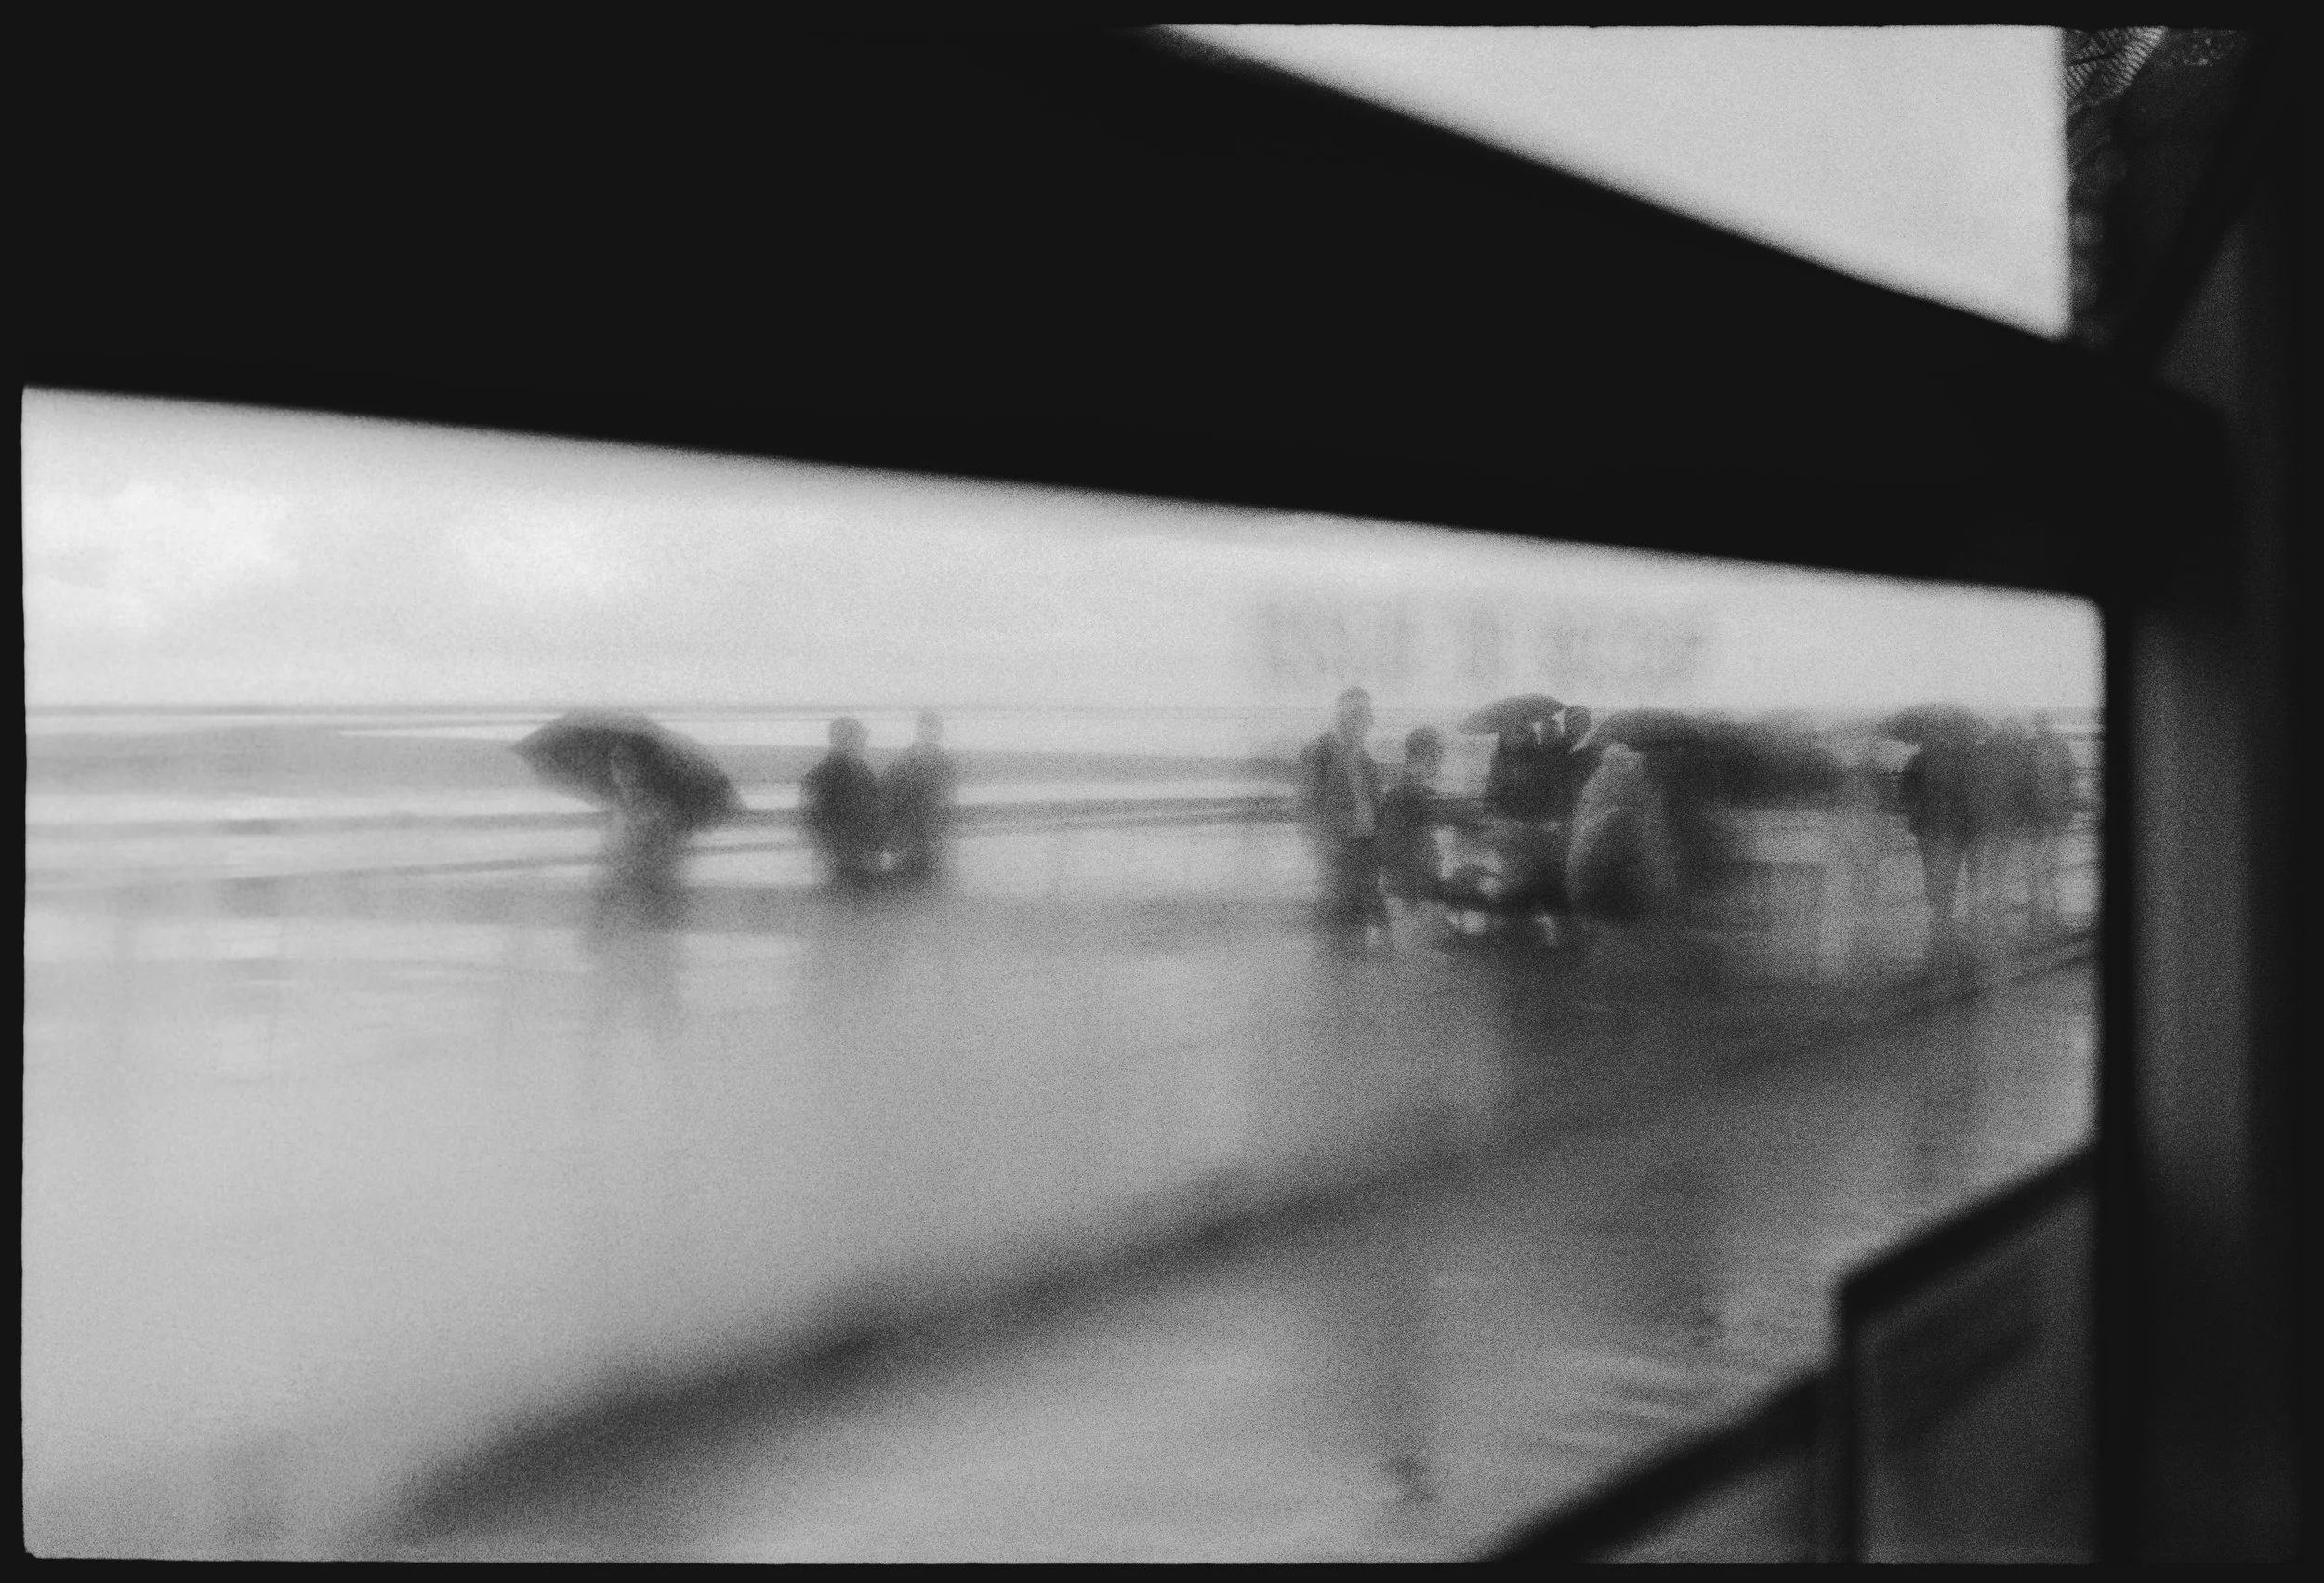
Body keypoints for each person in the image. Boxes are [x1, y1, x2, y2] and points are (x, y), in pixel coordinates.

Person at [586, 740, 688, 1048]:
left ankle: (673, 1077)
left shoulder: (659, 814)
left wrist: (635, 868)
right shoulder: (617, 813)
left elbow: (667, 865)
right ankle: (594, 1080)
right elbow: (606, 868)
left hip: (648, 921)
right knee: (605, 1008)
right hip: (618, 921)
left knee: (657, 1007)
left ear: (643, 772)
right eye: (618, 767)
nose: (623, 774)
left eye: (629, 767)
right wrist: (595, 920)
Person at [1298, 687, 1389, 947]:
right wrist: (1324, 849)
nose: (1369, 722)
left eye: (1369, 715)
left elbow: (1375, 804)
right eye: (1361, 715)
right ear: (1343, 717)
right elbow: (1307, 807)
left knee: (1358, 922)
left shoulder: (1364, 757)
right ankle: (1331, 973)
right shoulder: (1318, 753)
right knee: (1334, 921)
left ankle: (1350, 970)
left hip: (1366, 851)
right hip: (1337, 853)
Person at [1896, 732, 1979, 973]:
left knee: (1931, 871)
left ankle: (1938, 917)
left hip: (1928, 828)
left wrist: (1914, 812)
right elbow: (1969, 797)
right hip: (1954, 830)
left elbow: (1904, 794)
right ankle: (1944, 918)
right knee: (1950, 873)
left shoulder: (1916, 761)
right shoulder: (1959, 763)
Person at [801, 716, 886, 891]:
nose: (864, 742)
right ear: (848, 739)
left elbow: (809, 819)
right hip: (854, 862)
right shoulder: (860, 773)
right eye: (860, 737)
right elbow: (873, 813)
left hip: (838, 861)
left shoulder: (819, 773)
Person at [882, 708, 959, 886]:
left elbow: (947, 799)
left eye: (935, 729)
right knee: (915, 884)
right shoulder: (904, 760)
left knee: (933, 884)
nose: (932, 733)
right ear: (919, 730)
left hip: (930, 835)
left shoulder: (943, 761)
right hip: (912, 835)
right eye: (928, 728)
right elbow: (890, 798)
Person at [2026, 712, 2079, 931]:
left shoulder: (2030, 747)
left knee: (2036, 864)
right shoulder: (2059, 745)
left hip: (2038, 814)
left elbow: (2024, 783)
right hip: (2052, 812)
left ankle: (2038, 912)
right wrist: (2068, 807)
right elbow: (2070, 777)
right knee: (2052, 863)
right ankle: (2053, 911)